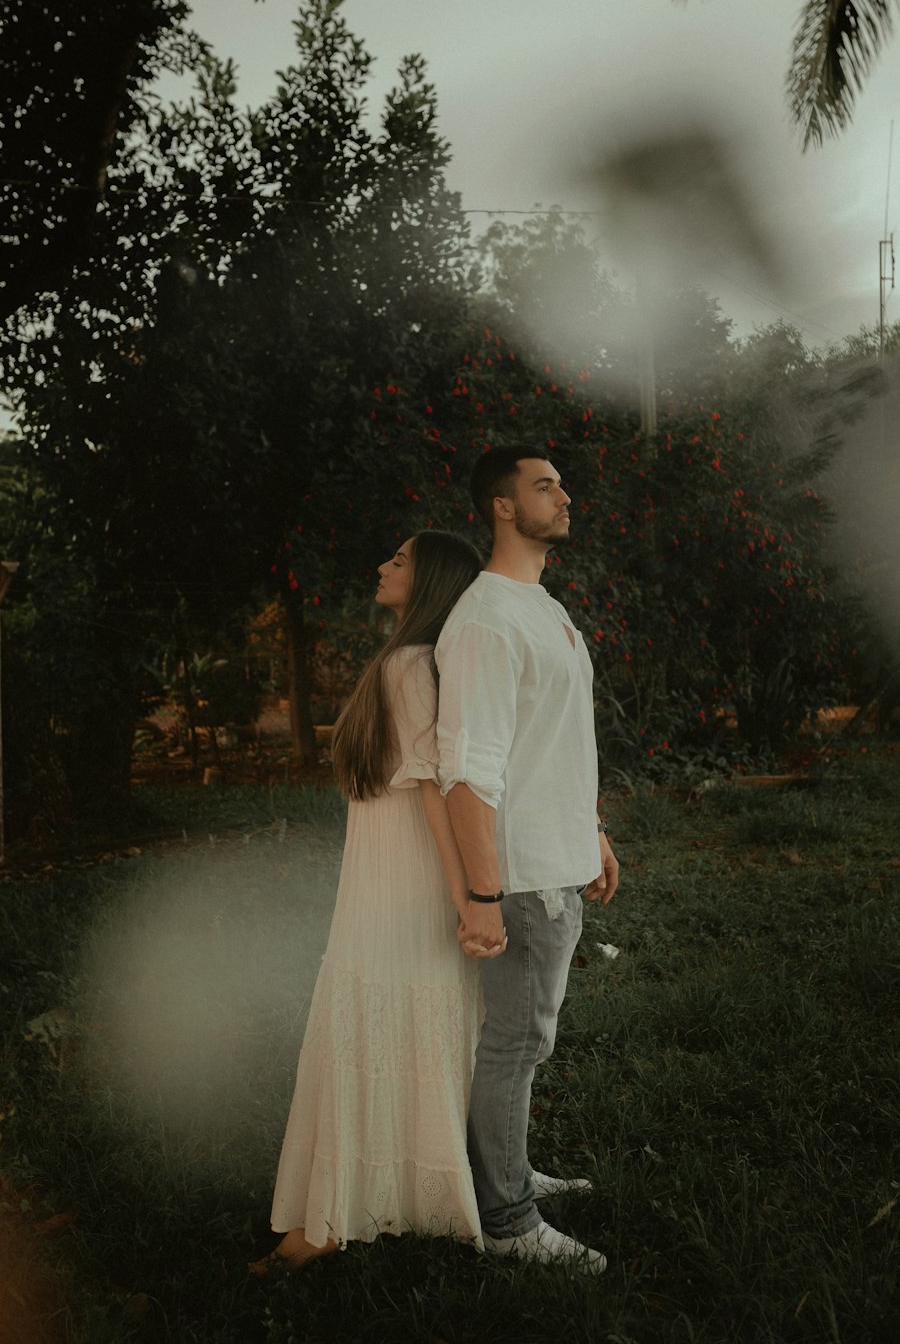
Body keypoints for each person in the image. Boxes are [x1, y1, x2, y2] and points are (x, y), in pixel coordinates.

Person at [255, 529, 488, 1272]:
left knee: (390, 1014)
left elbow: (433, 793)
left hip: (409, 878)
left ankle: (344, 1214)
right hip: (382, 872)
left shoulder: (412, 665)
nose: (381, 566)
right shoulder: (403, 663)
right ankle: (361, 1197)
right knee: (381, 1018)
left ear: (427, 585)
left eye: (398, 561)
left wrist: (466, 894)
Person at [434, 443, 619, 1276]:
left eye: (562, 482)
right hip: (519, 880)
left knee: (523, 1043)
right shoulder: (485, 619)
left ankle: (504, 1168)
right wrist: (481, 895)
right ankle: (508, 1218)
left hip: (560, 858)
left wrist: (593, 832)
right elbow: (468, 778)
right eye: (546, 485)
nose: (564, 495)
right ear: (503, 506)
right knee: (515, 1044)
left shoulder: (541, 606)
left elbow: (556, 741)